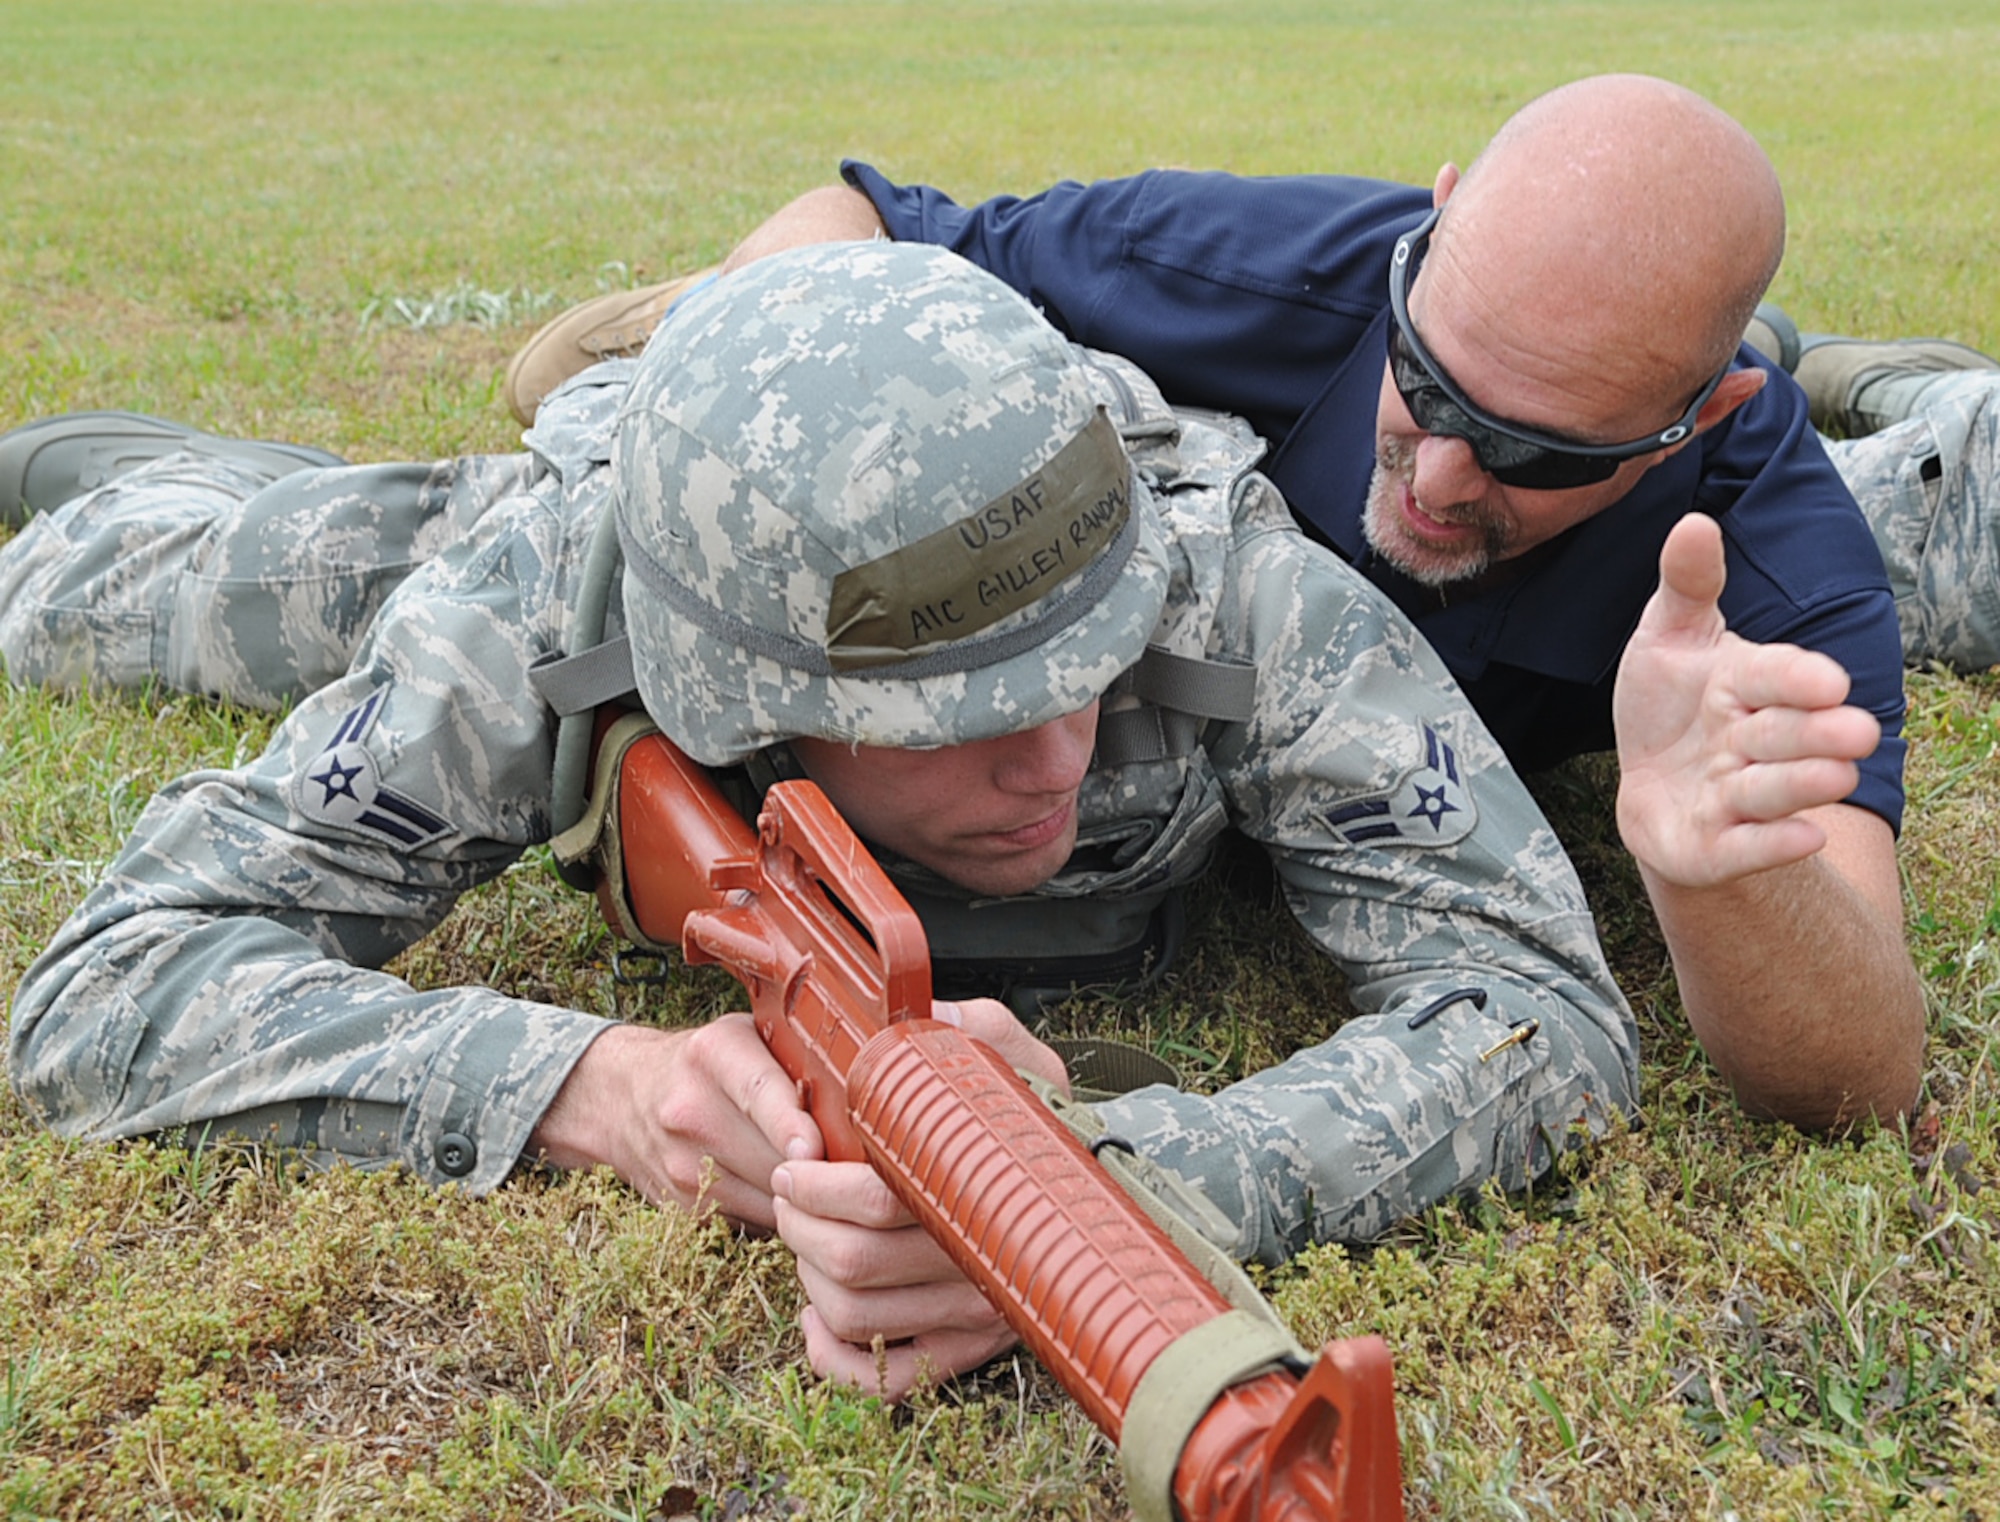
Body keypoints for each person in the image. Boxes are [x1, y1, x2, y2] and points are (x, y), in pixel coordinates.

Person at [0, 241, 1638, 1397]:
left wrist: (1145, 1171)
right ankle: (156, 472)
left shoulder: (1234, 584)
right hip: (583, 492)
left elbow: (1542, 1008)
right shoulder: (540, 612)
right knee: (124, 590)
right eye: (969, 715)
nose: (1060, 754)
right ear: (739, 705)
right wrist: (598, 1086)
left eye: (1098, 664)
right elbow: (101, 984)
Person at [504, 73, 1949, 1134]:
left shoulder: (1771, 573)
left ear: (1701, 418)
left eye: (1534, 450)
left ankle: (1882, 386)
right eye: (1426, 379)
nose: (1441, 470)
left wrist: (1726, 875)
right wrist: (715, 409)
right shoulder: (1266, 268)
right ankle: (661, 325)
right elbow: (862, 218)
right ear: (1433, 228)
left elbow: (1864, 1072)